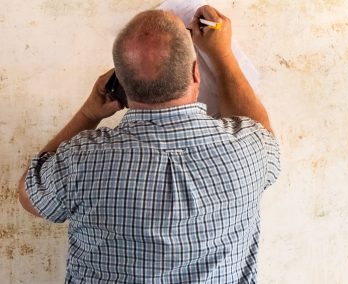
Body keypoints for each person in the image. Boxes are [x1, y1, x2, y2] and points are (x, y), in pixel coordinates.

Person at [19, 5, 280, 284]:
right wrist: (222, 55)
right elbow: (261, 131)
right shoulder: (249, 150)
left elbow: (30, 197)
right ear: (195, 73)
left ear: (121, 85)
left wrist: (88, 114)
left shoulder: (80, 160)